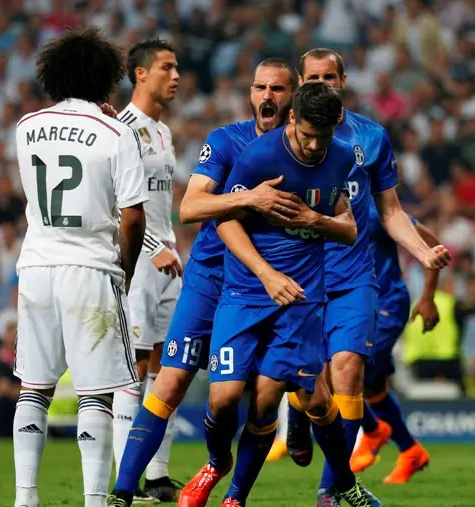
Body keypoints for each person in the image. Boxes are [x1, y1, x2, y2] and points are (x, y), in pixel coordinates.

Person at [107, 58, 302, 507]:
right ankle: (123, 490)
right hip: (211, 278)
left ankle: (237, 493)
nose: (267, 96)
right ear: (250, 94)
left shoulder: (304, 153)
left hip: (264, 287)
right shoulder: (227, 141)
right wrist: (251, 197)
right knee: (170, 382)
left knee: (260, 399)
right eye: (259, 87)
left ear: (292, 96)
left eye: (276, 88)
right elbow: (191, 207)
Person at [201, 80, 380, 507]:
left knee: (292, 400)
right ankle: (216, 460)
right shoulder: (259, 157)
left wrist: (313, 219)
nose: (315, 144)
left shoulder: (341, 158)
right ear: (293, 118)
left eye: (324, 135)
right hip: (247, 291)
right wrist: (265, 274)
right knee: (223, 398)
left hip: (300, 297)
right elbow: (226, 220)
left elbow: (349, 228)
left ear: (337, 122)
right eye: (306, 134)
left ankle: (241, 498)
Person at [286, 48, 450, 506]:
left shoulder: (372, 137)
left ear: (343, 80)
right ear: (301, 81)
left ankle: (330, 490)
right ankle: (298, 414)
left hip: (356, 279)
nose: (321, 83)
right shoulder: (283, 136)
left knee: (351, 374)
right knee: (304, 381)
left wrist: (423, 253)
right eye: (313, 77)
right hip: (300, 277)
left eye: (330, 77)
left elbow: (393, 213)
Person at [12, 27, 147, 507]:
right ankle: (94, 500)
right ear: (107, 78)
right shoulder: (118, 132)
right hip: (90, 266)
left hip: (37, 265)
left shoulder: (25, 127)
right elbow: (132, 216)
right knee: (97, 392)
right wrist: (125, 270)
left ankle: (25, 498)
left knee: (35, 386)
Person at [110, 39, 183, 503]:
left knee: (168, 365)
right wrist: (154, 246)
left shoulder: (162, 131)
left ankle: (156, 475)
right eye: (166, 67)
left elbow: (159, 205)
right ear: (139, 73)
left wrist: (170, 245)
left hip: (168, 260)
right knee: (133, 367)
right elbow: (117, 202)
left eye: (177, 68)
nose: (176, 76)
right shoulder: (122, 128)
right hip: (139, 260)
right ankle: (126, 478)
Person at [348, 203, 441, 483]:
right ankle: (411, 450)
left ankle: (373, 430)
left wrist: (428, 297)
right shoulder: (323, 203)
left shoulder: (376, 211)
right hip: (351, 307)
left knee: (341, 372)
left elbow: (432, 244)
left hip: (385, 306)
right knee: (373, 387)